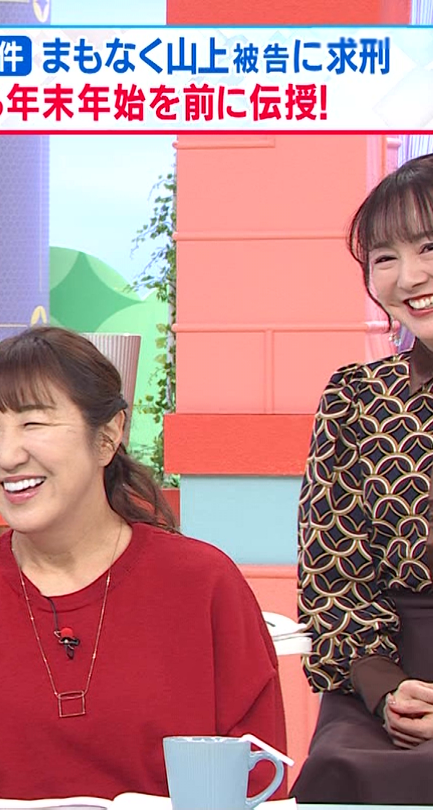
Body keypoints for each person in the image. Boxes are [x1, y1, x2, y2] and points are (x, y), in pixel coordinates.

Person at [0, 326, 287, 801]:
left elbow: (262, 786)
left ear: (108, 436)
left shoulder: (203, 586)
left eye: (34, 423)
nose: (7, 455)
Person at [292, 153, 433, 803]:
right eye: (385, 258)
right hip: (393, 681)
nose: (410, 277)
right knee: (346, 771)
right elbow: (333, 572)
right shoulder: (357, 397)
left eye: (429, 248)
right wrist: (388, 691)